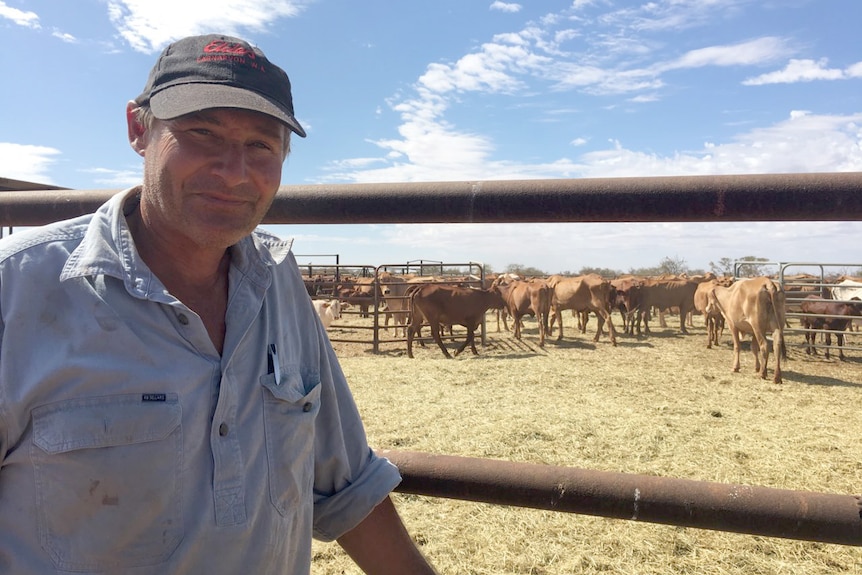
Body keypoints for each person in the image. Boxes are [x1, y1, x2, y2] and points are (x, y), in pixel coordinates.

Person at [0, 34, 437, 574]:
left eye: (262, 145)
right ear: (140, 129)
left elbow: (346, 484)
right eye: (201, 133)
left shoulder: (277, 281)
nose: (234, 171)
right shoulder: (17, 289)